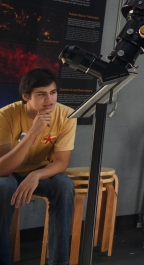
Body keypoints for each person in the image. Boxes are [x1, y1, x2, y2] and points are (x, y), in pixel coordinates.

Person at [0, 68, 76, 265]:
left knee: (64, 185)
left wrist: (36, 175)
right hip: (11, 173)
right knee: (3, 186)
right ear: (26, 97)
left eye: (53, 93)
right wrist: (33, 133)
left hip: (42, 172)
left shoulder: (67, 116)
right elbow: (3, 169)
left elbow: (61, 162)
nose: (49, 100)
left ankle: (59, 262)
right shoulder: (6, 115)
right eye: (41, 94)